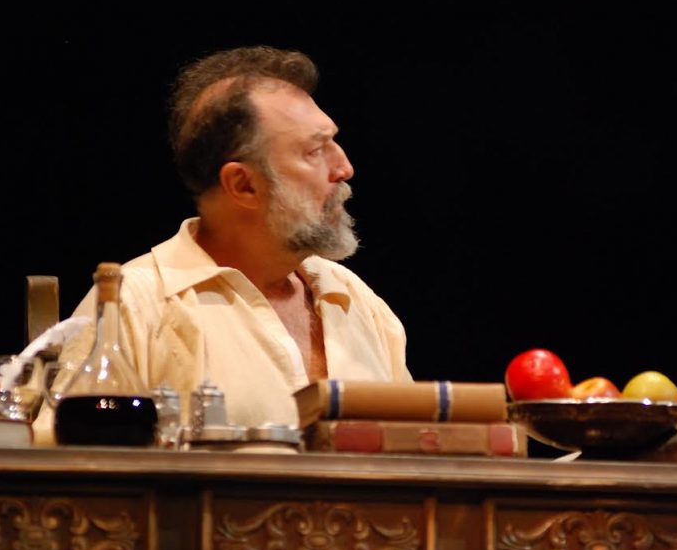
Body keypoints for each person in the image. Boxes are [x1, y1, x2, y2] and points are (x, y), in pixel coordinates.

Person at [52, 45, 411, 432]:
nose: (344, 168)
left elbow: (413, 444)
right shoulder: (133, 306)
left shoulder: (355, 300)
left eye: (334, 143)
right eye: (315, 150)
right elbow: (69, 461)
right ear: (243, 185)